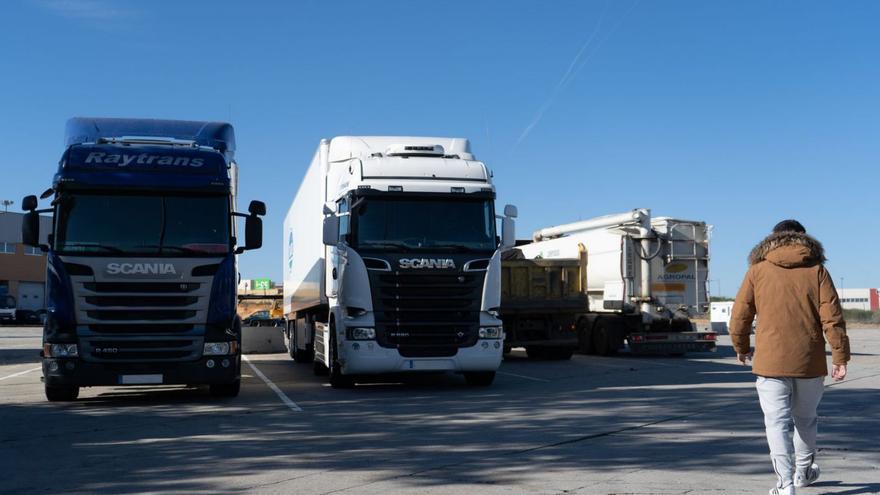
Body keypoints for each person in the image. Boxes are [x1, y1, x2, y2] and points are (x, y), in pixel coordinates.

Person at [729, 219, 850, 495]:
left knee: (776, 423)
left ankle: (784, 484)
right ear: (804, 240)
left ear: (773, 238)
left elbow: (740, 315)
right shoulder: (817, 270)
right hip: (809, 361)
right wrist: (840, 357)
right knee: (805, 419)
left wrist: (741, 346)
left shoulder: (757, 270)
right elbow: (832, 318)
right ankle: (803, 473)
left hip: (770, 362)